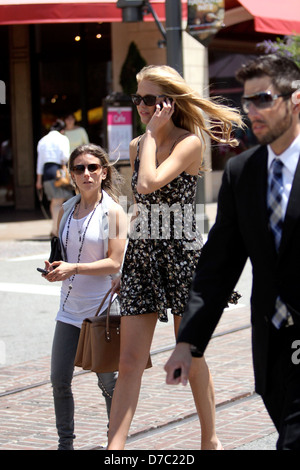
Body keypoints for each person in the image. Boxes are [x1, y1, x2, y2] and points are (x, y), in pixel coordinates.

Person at [165, 54, 300, 451]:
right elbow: (218, 266)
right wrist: (188, 342)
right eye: (247, 101)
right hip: (273, 347)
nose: (251, 111)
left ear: (295, 100)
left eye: (263, 99)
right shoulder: (243, 172)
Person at [107, 64, 243, 450]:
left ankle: (209, 439)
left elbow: (150, 182)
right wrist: (124, 264)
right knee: (130, 361)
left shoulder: (189, 143)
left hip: (181, 255)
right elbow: (140, 205)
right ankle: (113, 450)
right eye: (138, 100)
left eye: (150, 100)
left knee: (191, 353)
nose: (142, 107)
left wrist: (150, 135)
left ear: (168, 102)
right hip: (144, 254)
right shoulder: (137, 146)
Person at [41, 143, 127, 450]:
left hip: (100, 310)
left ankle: (113, 443)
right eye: (79, 169)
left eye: (93, 168)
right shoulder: (66, 209)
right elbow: (65, 253)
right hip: (68, 310)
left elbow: (115, 262)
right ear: (71, 174)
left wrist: (74, 268)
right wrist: (55, 269)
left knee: (109, 384)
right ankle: (66, 444)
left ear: (104, 172)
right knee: (59, 380)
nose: (86, 174)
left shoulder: (115, 211)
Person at [36, 119, 73, 237]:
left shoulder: (43, 140)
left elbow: (40, 162)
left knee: (55, 201)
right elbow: (65, 156)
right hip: (58, 171)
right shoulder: (62, 138)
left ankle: (55, 228)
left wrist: (38, 180)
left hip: (46, 172)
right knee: (59, 201)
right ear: (62, 130)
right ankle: (56, 230)